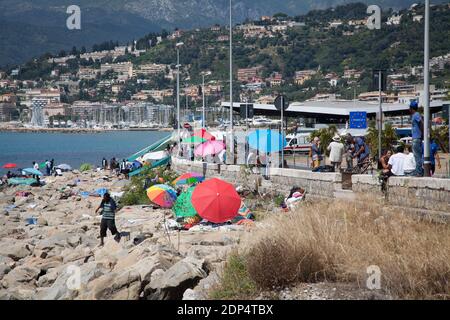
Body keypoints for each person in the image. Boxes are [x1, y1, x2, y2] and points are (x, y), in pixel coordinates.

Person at [410, 101, 424, 176]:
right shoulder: (414, 115)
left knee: (417, 156)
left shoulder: (416, 114)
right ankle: (418, 171)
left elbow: (421, 122)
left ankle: (419, 172)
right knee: (416, 155)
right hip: (416, 138)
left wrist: (422, 133)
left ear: (411, 108)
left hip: (417, 138)